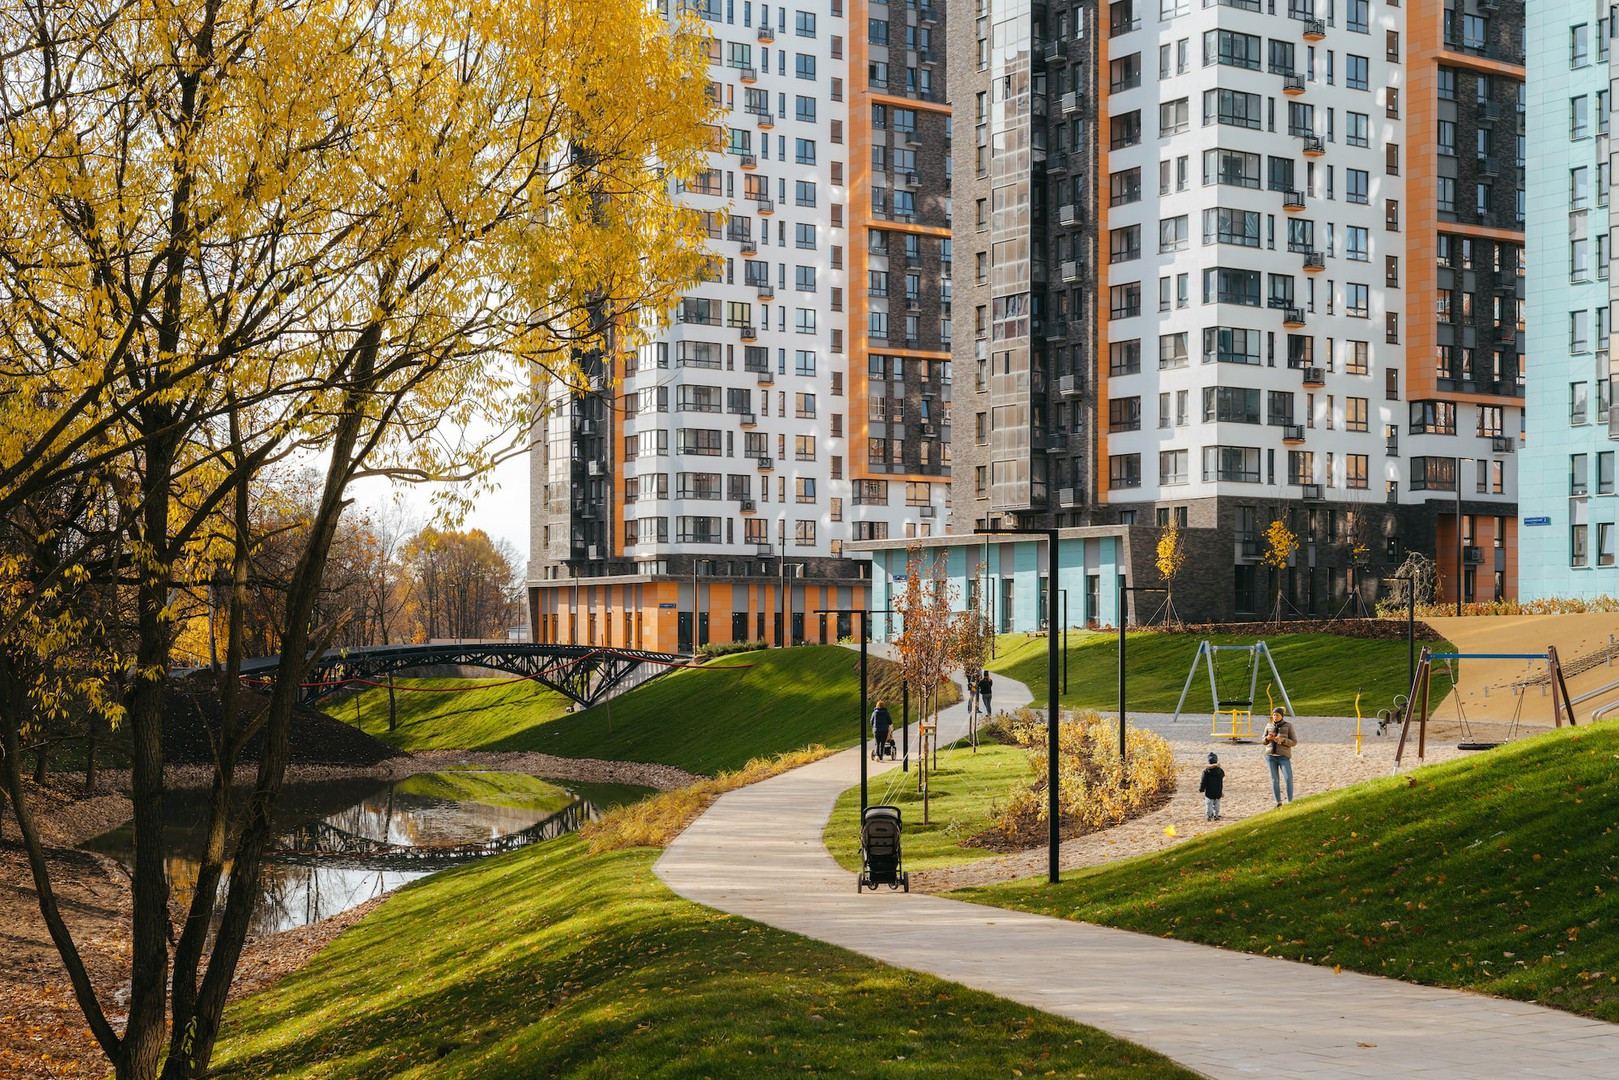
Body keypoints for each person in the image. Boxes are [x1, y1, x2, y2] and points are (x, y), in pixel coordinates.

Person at [1263, 707, 1297, 807]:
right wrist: (1267, 738)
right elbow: (1263, 741)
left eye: (1277, 715)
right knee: (1275, 780)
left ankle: (1290, 801)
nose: (1275, 716)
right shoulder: (1268, 725)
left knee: (1288, 778)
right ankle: (1278, 802)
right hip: (1270, 756)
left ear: (1282, 716)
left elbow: (1294, 742)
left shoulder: (1288, 726)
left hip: (1284, 756)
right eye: (1273, 715)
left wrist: (1283, 740)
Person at [1199, 752, 1225, 821]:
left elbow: (1203, 781)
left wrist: (1201, 789)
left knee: (1209, 804)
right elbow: (1223, 775)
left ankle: (1209, 816)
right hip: (1218, 791)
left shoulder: (1206, 772)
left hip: (1209, 791)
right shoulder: (1220, 771)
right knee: (1217, 804)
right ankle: (1216, 815)